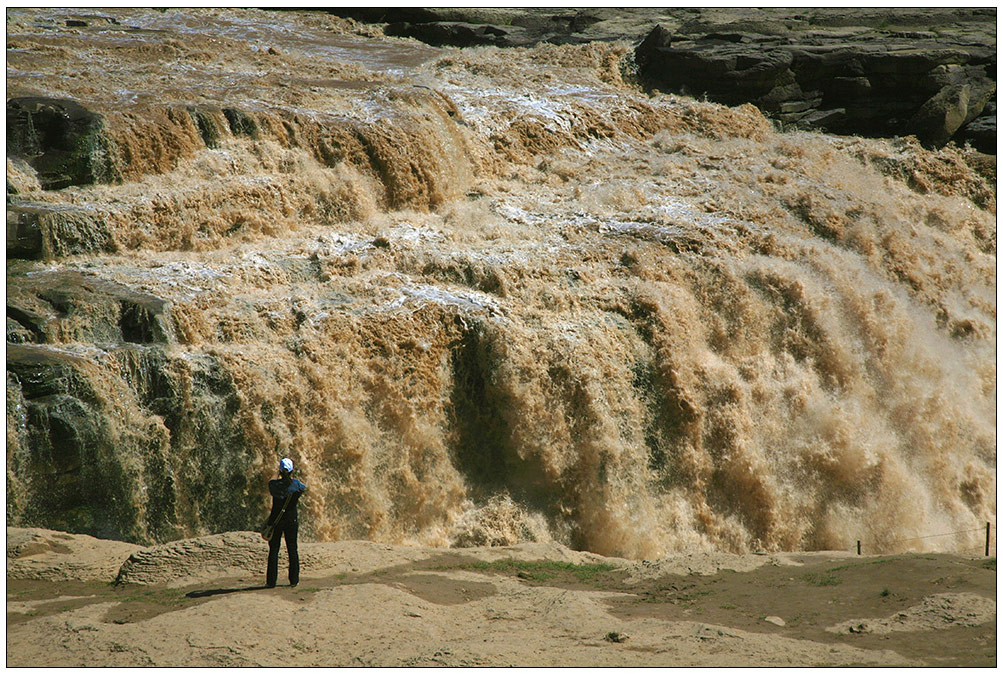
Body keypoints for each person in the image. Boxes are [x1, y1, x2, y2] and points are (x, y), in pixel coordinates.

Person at [265, 457, 307, 588]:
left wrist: (278, 473)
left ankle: (271, 582)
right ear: (292, 471)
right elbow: (303, 488)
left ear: (280, 471)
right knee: (292, 549)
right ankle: (294, 580)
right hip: (291, 520)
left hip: (276, 521)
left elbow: (271, 482)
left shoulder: (273, 485)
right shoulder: (297, 486)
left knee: (273, 551)